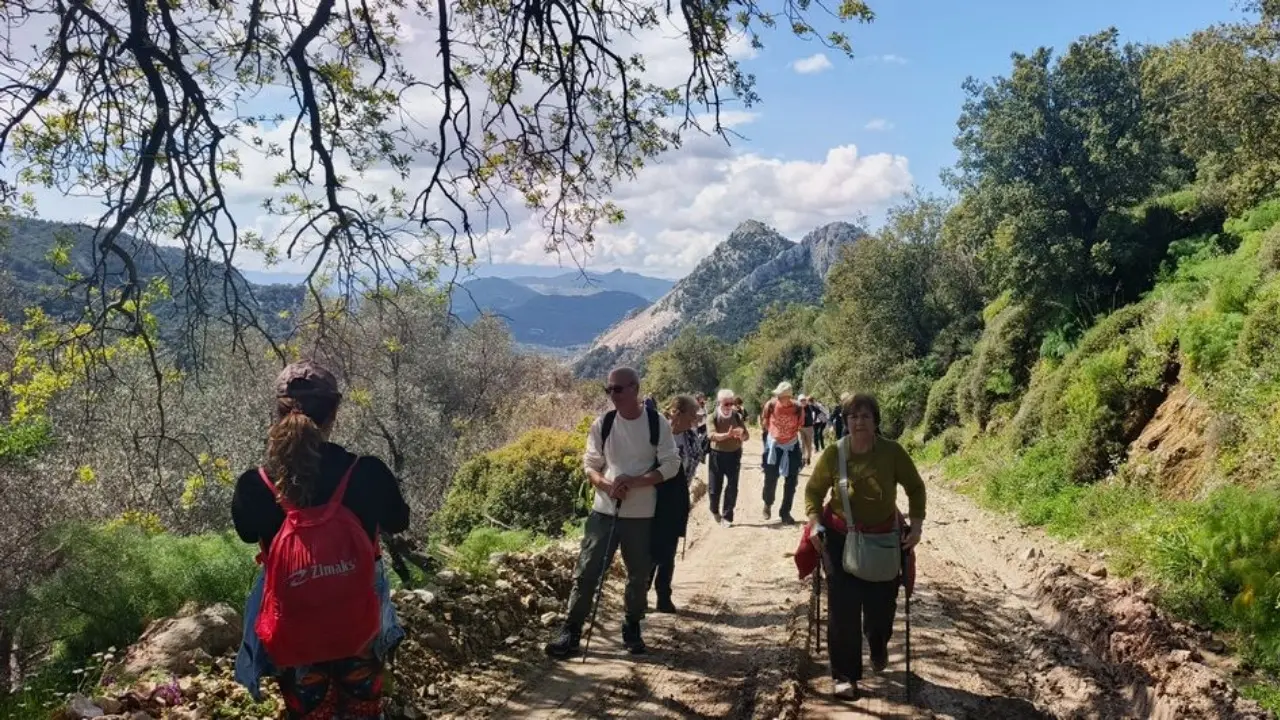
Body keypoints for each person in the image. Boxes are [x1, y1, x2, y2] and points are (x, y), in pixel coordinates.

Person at [232, 360, 411, 720]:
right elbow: (398, 520)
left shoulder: (256, 484)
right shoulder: (367, 471)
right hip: (358, 627)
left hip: (296, 632)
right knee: (362, 711)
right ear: (334, 412)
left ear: (279, 411)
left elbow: (247, 532)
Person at [545, 367, 680, 659]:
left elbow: (671, 464)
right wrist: (607, 485)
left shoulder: (657, 424)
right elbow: (590, 464)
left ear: (635, 389)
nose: (612, 395)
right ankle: (571, 631)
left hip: (643, 515)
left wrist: (636, 482)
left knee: (638, 574)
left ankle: (632, 626)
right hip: (603, 512)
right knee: (587, 572)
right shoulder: (603, 424)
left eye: (617, 390)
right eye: (609, 390)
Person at [804, 394, 926, 701]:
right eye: (853, 417)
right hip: (839, 537)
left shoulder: (892, 453)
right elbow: (814, 491)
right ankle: (845, 675)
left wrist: (917, 525)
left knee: (881, 606)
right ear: (845, 422)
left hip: (883, 539)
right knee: (843, 608)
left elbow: (915, 487)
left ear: (875, 422)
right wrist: (814, 523)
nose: (859, 422)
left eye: (866, 416)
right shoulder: (834, 454)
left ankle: (878, 642)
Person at [649, 395, 702, 613]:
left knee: (668, 550)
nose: (696, 419)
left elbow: (692, 467)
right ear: (677, 412)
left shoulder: (692, 439)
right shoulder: (655, 433)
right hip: (651, 497)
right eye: (692, 414)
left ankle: (663, 596)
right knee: (648, 547)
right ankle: (639, 594)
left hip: (676, 500)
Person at [760, 381, 804, 524]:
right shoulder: (771, 405)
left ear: (788, 397)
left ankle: (785, 512)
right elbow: (765, 422)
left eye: (781, 396)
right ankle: (767, 503)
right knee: (770, 477)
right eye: (777, 395)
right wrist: (773, 436)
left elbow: (800, 426)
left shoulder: (798, 408)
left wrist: (805, 449)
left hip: (791, 446)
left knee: (791, 481)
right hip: (774, 446)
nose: (778, 398)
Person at [706, 388, 749, 527]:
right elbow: (711, 435)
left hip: (734, 455)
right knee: (714, 489)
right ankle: (714, 509)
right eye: (726, 404)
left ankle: (727, 517)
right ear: (719, 403)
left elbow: (746, 436)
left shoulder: (737, 416)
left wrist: (741, 434)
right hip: (716, 456)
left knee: (732, 487)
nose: (729, 406)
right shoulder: (712, 417)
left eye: (731, 403)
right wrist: (727, 435)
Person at [798, 394, 816, 466]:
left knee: (808, 444)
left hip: (809, 428)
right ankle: (803, 458)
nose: (803, 401)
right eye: (801, 400)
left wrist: (814, 421)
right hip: (800, 428)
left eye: (804, 400)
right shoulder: (798, 408)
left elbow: (818, 412)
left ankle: (808, 457)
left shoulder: (810, 407)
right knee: (802, 443)